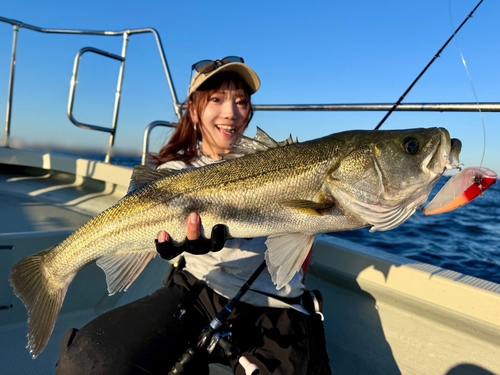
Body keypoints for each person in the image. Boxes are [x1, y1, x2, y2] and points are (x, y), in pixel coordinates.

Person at [56, 56, 331, 375]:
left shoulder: (281, 162)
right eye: (216, 99)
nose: (230, 112)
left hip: (279, 305)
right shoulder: (175, 173)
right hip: (197, 289)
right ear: (195, 108)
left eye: (241, 101)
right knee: (88, 363)